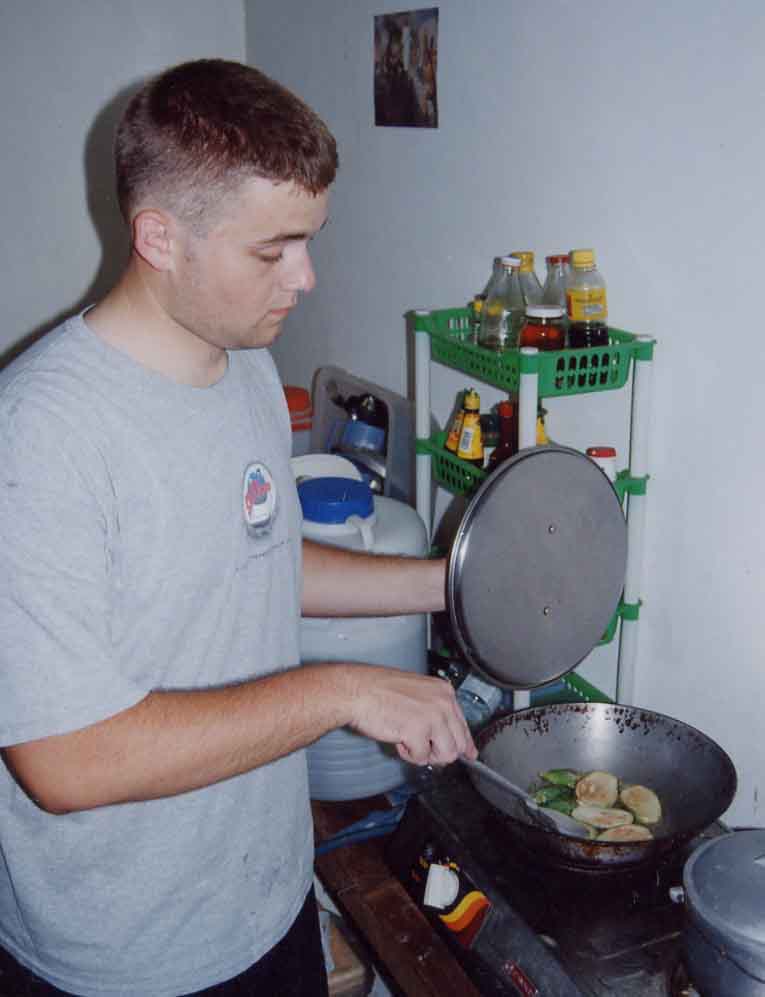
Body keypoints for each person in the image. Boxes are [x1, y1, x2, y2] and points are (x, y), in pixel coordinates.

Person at [0, 59, 476, 997]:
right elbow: (67, 758)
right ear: (160, 237)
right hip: (125, 955)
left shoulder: (244, 362)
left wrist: (446, 580)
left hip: (262, 896)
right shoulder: (39, 437)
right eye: (273, 251)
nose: (304, 277)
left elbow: (254, 559)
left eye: (309, 240)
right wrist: (342, 690)